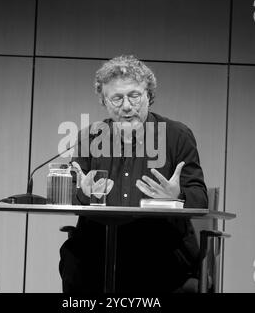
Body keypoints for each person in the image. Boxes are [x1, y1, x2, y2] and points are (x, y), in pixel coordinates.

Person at [59, 55, 208, 293]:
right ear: (104, 102)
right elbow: (72, 197)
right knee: (75, 261)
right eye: (117, 98)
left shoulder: (177, 135)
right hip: (99, 246)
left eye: (134, 96)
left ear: (149, 96)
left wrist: (177, 196)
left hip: (159, 247)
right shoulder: (90, 137)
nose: (127, 106)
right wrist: (82, 193)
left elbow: (200, 198)